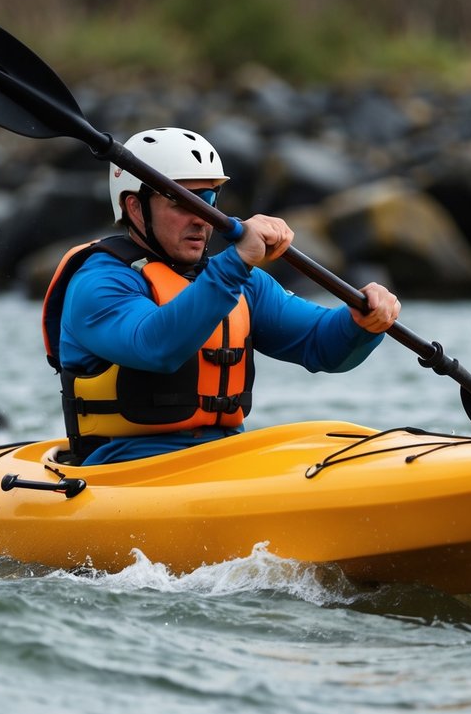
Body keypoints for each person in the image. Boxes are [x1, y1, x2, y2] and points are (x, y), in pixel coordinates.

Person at [42, 127, 401, 465]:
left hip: (221, 459)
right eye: (184, 202)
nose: (203, 219)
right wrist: (237, 262)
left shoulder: (240, 282)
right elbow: (156, 347)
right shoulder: (99, 283)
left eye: (209, 200)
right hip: (124, 469)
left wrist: (361, 323)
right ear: (135, 207)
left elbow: (320, 345)